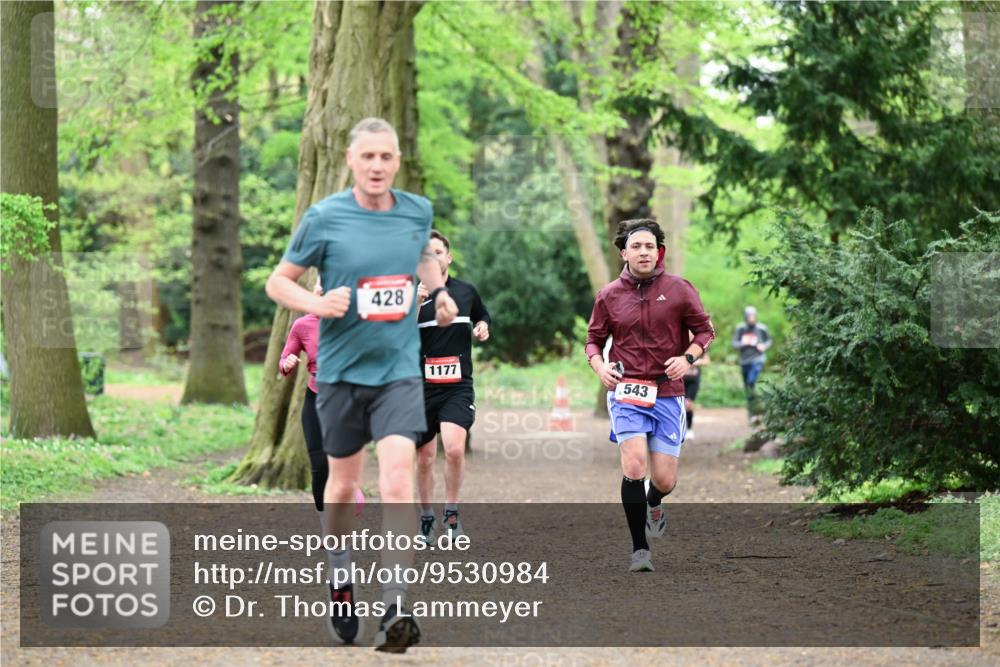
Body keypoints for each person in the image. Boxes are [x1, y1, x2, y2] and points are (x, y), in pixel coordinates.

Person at [265, 117, 458, 653]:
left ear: (397, 161)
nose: (377, 166)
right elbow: (278, 281)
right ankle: (340, 579)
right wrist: (316, 303)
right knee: (343, 489)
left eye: (387, 157)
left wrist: (438, 293)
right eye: (368, 156)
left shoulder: (417, 211)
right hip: (343, 376)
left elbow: (422, 256)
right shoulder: (324, 218)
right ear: (351, 159)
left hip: (398, 372)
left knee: (398, 481)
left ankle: (395, 606)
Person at [585, 219, 715, 573]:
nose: (643, 252)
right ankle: (639, 549)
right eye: (636, 246)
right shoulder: (609, 295)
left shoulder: (679, 289)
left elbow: (705, 331)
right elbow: (593, 340)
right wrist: (600, 368)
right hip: (626, 391)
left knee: (663, 480)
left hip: (667, 391)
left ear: (659, 252)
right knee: (634, 464)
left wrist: (687, 358)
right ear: (624, 253)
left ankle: (655, 503)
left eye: (649, 246)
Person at [413, 230, 491, 543]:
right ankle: (427, 519)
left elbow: (481, 313)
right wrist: (417, 302)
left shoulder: (466, 291)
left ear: (449, 257)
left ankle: (452, 514)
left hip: (457, 385)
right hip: (419, 387)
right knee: (425, 458)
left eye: (438, 252)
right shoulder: (411, 294)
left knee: (455, 449)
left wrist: (483, 324)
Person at [277, 280, 366, 514]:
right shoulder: (303, 325)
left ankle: (350, 489)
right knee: (318, 465)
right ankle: (327, 525)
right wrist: (287, 363)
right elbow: (285, 360)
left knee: (341, 459)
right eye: (318, 286)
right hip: (315, 397)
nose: (320, 290)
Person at [732, 305, 771, 422]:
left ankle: (758, 408)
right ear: (745, 316)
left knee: (750, 382)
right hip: (744, 361)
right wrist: (743, 343)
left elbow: (769, 340)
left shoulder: (761, 328)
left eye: (753, 316)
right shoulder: (740, 329)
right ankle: (752, 411)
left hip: (757, 359)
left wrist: (764, 345)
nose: (751, 318)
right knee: (748, 387)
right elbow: (734, 343)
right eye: (749, 316)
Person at [682, 333, 710, 439]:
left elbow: (707, 361)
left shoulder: (700, 345)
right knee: (680, 405)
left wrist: (695, 362)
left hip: (693, 380)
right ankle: (681, 428)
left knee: (689, 404)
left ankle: (689, 428)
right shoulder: (679, 343)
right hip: (680, 379)